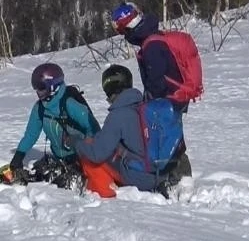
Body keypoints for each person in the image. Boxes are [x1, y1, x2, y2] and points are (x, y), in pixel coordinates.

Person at [70, 64, 188, 198]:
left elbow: (97, 154)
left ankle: (103, 194)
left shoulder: (118, 114)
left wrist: (76, 143)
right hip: (162, 173)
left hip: (139, 178)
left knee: (89, 150)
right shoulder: (145, 105)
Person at [110, 1, 193, 177]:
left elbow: (157, 77)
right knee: (170, 136)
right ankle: (174, 172)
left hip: (169, 98)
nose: (121, 34)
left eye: (120, 29)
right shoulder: (152, 38)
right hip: (175, 95)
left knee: (165, 138)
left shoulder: (151, 45)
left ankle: (169, 174)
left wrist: (151, 99)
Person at [3, 63, 100, 188]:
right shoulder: (40, 108)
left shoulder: (69, 104)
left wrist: (85, 149)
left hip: (81, 159)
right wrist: (19, 156)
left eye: (42, 88)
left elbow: (94, 129)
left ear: (53, 86)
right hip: (59, 158)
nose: (38, 92)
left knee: (60, 187)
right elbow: (31, 135)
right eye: (36, 88)